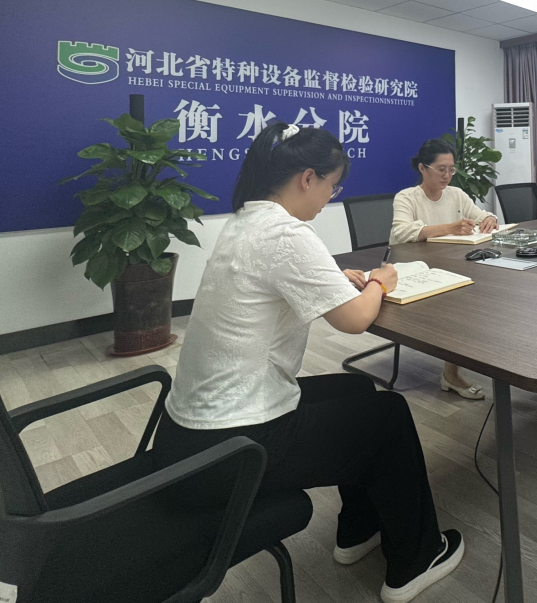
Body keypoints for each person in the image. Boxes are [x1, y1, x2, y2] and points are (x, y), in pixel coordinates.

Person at [155, 123, 463, 603]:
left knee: (356, 391)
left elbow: (276, 276)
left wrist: (334, 277)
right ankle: (415, 559)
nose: (329, 198)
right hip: (231, 451)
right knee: (390, 415)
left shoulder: (247, 220)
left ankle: (358, 529)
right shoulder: (286, 233)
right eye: (332, 186)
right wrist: (380, 281)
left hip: (187, 437)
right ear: (307, 178)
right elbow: (355, 320)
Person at [391, 138, 497, 400]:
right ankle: (451, 374)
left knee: (484, 292)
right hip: (418, 270)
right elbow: (401, 233)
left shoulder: (456, 194)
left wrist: (489, 218)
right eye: (441, 169)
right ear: (422, 168)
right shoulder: (407, 197)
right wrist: (449, 228)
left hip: (451, 266)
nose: (447, 176)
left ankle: (469, 361)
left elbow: (481, 214)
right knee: (461, 304)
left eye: (451, 169)